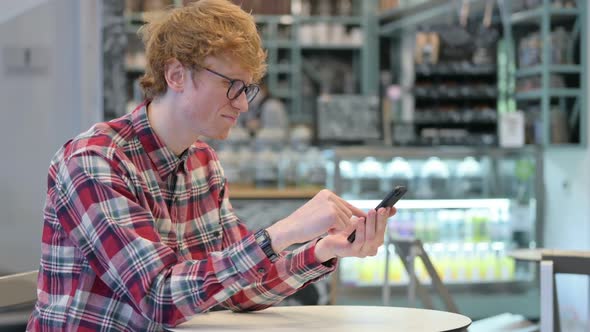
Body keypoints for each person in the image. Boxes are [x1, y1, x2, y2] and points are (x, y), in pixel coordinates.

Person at [27, 1, 396, 330]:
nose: (244, 105)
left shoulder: (203, 162)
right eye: (232, 85)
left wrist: (322, 250)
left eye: (248, 88)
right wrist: (283, 232)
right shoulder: (95, 161)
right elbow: (159, 298)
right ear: (176, 75)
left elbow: (241, 289)